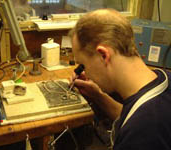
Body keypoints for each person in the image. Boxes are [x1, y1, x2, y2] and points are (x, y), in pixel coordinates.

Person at [69, 8, 171, 150]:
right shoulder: (163, 79)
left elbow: (139, 123)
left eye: (83, 65)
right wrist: (97, 95)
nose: (86, 73)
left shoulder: (141, 136)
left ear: (103, 55)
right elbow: (132, 114)